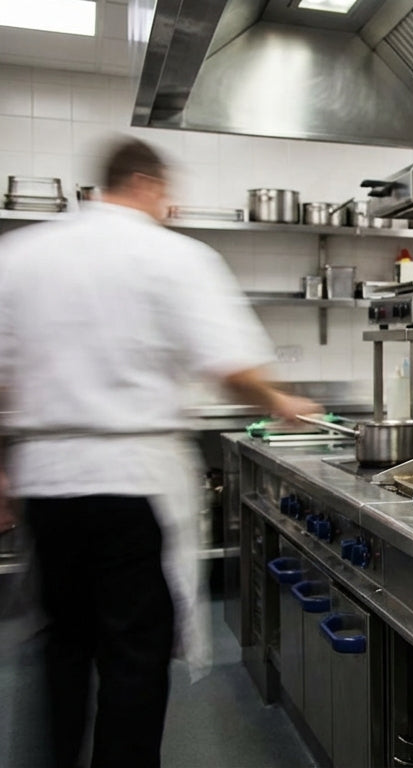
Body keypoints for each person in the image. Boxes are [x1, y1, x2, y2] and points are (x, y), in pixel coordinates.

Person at [0, 137, 318, 768]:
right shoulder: (175, 256)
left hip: (47, 480)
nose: (169, 206)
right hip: (131, 484)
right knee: (133, 657)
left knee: (63, 645)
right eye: (167, 194)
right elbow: (231, 367)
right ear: (146, 184)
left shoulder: (23, 253)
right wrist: (279, 399)